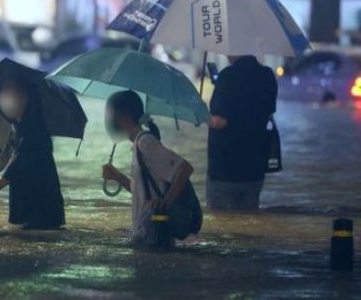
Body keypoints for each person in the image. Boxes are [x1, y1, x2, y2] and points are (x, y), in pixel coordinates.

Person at [100, 90, 194, 246]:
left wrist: (166, 202)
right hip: (146, 232)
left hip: (154, 233)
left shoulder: (146, 143)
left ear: (125, 117)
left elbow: (185, 168)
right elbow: (142, 191)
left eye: (112, 114)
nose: (110, 120)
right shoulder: (138, 144)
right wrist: (117, 176)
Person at [0, 77, 65, 230]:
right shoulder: (21, 128)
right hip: (36, 211)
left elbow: (18, 163)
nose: (7, 98)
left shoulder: (34, 132)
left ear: (28, 98)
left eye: (15, 93)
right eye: (6, 93)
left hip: (40, 213)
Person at [207, 55, 278, 210]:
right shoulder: (267, 75)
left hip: (226, 168)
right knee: (249, 222)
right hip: (255, 167)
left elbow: (219, 121)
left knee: (223, 227)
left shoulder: (227, 76)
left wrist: (201, 115)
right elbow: (268, 111)